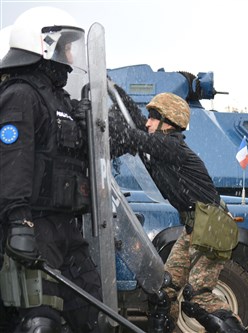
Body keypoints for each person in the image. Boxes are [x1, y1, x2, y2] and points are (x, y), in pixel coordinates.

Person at [108, 90, 247, 332]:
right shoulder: (160, 147)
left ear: (167, 122)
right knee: (164, 292)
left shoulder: (172, 147)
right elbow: (137, 127)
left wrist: (105, 123)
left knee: (197, 297)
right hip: (195, 227)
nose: (147, 122)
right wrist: (117, 93)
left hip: (212, 228)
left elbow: (133, 135)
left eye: (152, 117)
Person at [0, 7, 102, 333]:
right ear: (43, 45)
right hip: (33, 224)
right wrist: (18, 221)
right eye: (66, 48)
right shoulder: (20, 95)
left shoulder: (61, 101)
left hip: (66, 228)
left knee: (92, 314)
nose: (71, 58)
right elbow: (12, 161)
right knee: (39, 321)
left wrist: (92, 120)